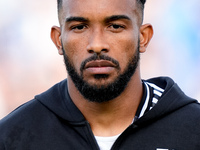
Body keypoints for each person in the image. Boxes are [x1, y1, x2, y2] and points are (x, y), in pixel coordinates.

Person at [0, 0, 200, 149]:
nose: (97, 44)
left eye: (115, 26)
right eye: (79, 27)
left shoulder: (193, 129)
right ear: (58, 40)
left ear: (143, 37)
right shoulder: (12, 136)